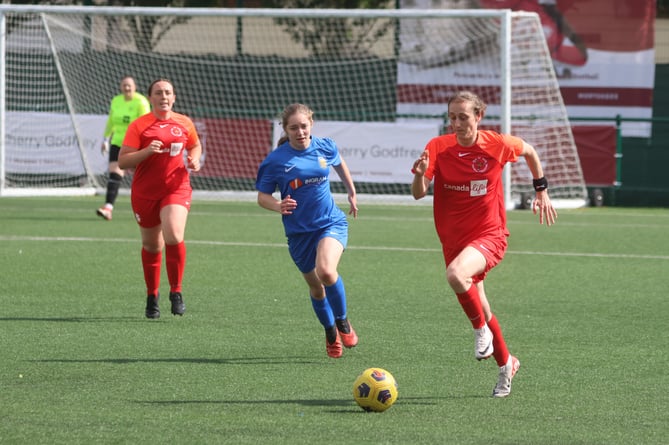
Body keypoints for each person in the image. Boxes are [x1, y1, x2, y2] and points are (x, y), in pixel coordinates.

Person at [411, 91, 558, 397]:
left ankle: (480, 332)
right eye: (452, 117)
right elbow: (418, 193)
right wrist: (418, 174)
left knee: (455, 276)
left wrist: (541, 189)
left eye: (463, 116)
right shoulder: (438, 146)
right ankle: (506, 365)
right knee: (482, 304)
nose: (456, 123)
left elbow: (529, 151)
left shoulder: (498, 144)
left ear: (478, 116)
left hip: (489, 234)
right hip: (453, 240)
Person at [255, 103, 359, 359]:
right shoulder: (276, 160)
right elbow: (262, 197)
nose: (300, 132)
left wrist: (351, 191)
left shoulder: (325, 146)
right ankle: (329, 331)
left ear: (311, 124)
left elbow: (339, 162)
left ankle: (343, 321)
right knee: (316, 287)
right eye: (294, 128)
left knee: (326, 271)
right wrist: (278, 205)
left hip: (330, 222)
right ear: (286, 129)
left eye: (304, 126)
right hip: (299, 232)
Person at [118, 78, 202, 319]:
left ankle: (176, 292)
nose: (164, 96)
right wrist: (146, 152)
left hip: (176, 188)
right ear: (151, 98)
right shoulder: (139, 126)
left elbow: (195, 145)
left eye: (168, 92)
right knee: (152, 246)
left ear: (174, 97)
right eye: (158, 93)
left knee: (174, 234)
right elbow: (123, 160)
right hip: (145, 193)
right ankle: (151, 295)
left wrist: (194, 158)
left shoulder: (184, 122)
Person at [97, 76, 151, 221]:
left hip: (135, 144)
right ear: (121, 87)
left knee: (143, 177)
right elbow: (111, 121)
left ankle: (151, 208)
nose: (127, 88)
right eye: (124, 85)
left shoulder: (141, 102)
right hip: (117, 143)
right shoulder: (116, 100)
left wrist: (143, 145)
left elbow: (145, 124)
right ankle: (108, 207)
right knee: (114, 174)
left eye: (129, 85)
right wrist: (105, 138)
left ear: (135, 87)